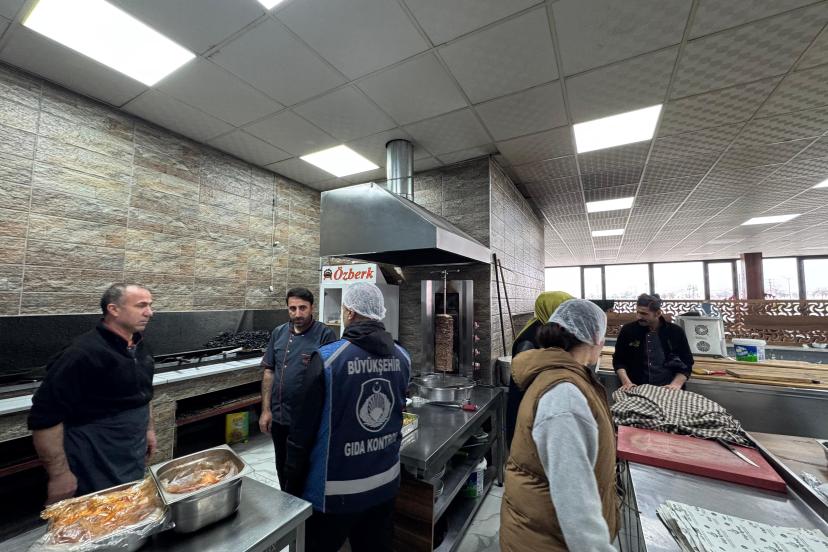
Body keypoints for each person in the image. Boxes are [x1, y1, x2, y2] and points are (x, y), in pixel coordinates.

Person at [284, 282, 411, 552]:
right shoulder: (403, 357)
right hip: (385, 485)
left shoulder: (328, 359)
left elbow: (301, 433)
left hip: (334, 492)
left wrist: (290, 488)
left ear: (350, 312)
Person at [501, 300, 618, 552]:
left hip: (539, 529)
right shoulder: (564, 395)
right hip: (546, 540)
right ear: (595, 337)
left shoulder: (556, 374)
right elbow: (576, 503)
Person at [28, 283, 156, 503]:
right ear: (113, 309)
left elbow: (143, 395)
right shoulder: (82, 353)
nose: (149, 312)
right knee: (99, 510)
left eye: (150, 305)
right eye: (141, 305)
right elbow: (44, 417)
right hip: (95, 452)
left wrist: (149, 429)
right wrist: (59, 475)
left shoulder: (139, 345)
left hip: (131, 447)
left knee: (128, 503)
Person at [259, 287, 336, 492]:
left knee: (304, 470)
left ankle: (305, 508)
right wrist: (266, 410)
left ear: (312, 308)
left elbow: (330, 380)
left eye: (303, 308)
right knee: (282, 466)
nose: (297, 313)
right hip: (279, 417)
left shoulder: (325, 335)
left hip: (307, 421)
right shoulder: (278, 333)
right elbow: (269, 371)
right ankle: (286, 504)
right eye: (292, 308)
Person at [506, 291, 573, 448]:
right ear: (552, 309)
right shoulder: (530, 339)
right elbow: (525, 377)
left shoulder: (547, 330)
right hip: (526, 403)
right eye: (563, 309)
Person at [612, 293, 694, 390]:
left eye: (644, 314)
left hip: (668, 388)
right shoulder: (628, 330)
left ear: (658, 313)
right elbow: (619, 360)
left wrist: (676, 384)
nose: (638, 317)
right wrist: (626, 383)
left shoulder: (675, 332)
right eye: (637, 312)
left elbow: (687, 362)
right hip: (635, 388)